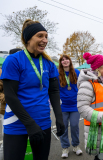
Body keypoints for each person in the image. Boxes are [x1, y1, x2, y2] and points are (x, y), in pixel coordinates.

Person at [1, 19, 65, 160]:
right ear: (28, 38)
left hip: (42, 122)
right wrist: (29, 124)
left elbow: (54, 91)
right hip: (16, 123)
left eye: (46, 36)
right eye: (40, 36)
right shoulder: (13, 60)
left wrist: (59, 118)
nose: (45, 40)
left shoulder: (49, 63)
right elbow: (10, 95)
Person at [58, 54, 82, 158]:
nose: (65, 61)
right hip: (62, 106)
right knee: (63, 127)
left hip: (75, 105)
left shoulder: (76, 72)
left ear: (70, 61)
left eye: (66, 59)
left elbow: (82, 86)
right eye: (62, 60)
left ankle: (76, 146)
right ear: (61, 62)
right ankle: (65, 147)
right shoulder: (57, 73)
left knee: (74, 125)